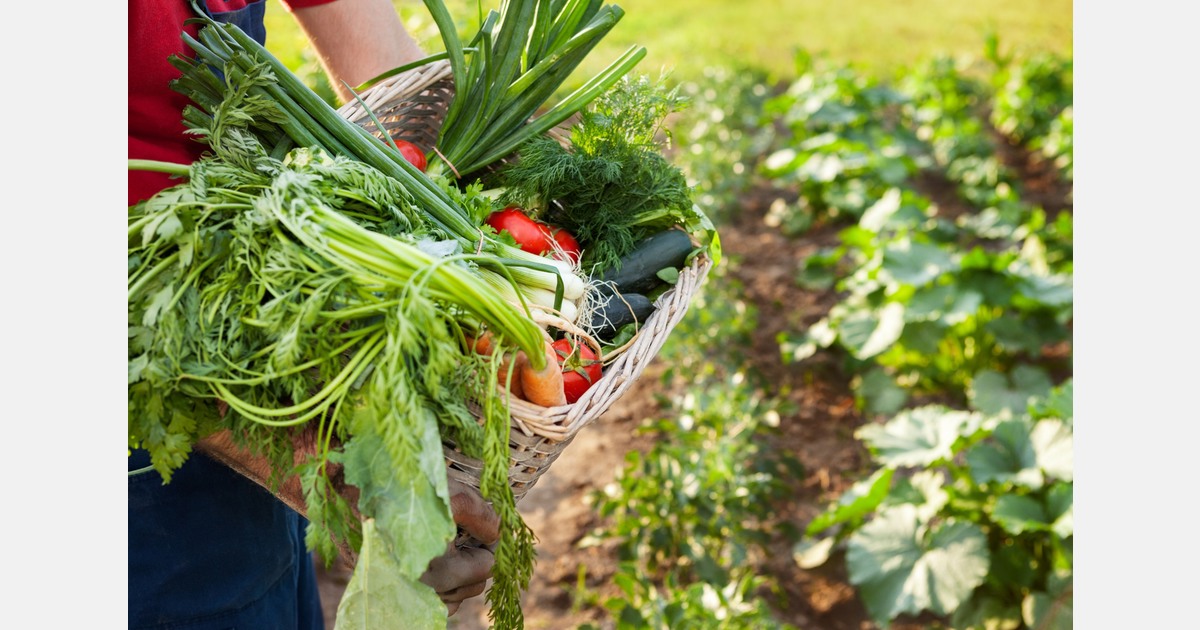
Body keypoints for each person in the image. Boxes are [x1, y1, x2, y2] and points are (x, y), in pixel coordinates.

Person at [128, 1, 500, 627]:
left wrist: (496, 171)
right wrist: (318, 472)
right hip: (146, 420)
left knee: (265, 580)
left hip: (260, 349)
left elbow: (382, 64)